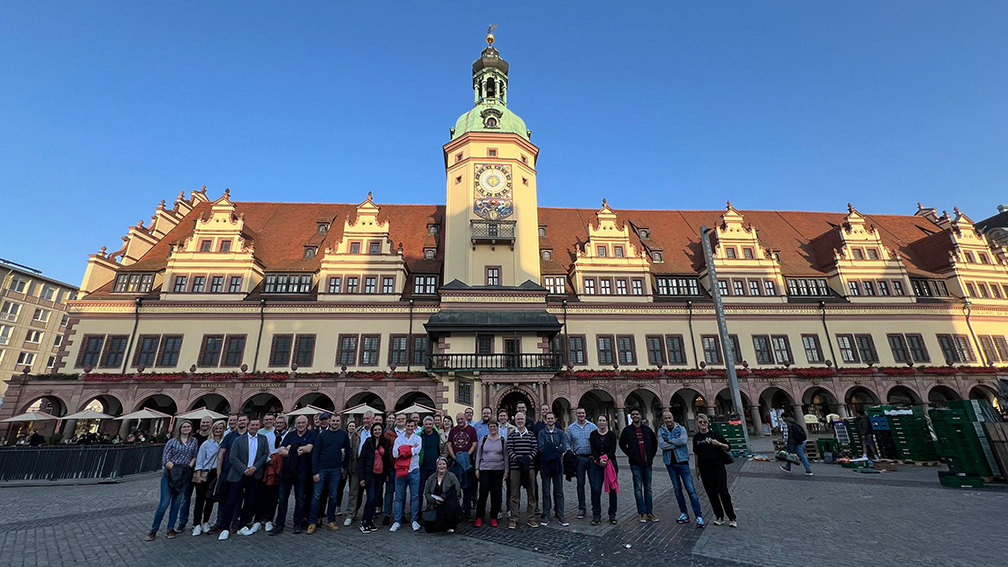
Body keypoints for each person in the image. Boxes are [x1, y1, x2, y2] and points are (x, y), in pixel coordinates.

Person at [145, 420, 198, 541]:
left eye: (188, 426)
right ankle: (154, 530)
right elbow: (165, 459)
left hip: (184, 475)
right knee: (164, 503)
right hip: (170, 475)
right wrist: (176, 471)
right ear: (179, 428)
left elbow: (194, 455)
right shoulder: (172, 442)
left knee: (176, 503)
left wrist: (189, 468)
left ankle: (170, 528)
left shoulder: (194, 441)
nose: (186, 428)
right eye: (184, 426)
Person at [218, 417, 269, 540]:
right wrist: (244, 469)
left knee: (250, 501)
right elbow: (233, 457)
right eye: (252, 425)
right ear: (248, 425)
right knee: (231, 501)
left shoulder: (263, 439)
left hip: (254, 474)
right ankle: (225, 527)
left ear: (259, 426)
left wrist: (254, 468)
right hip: (238, 474)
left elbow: (265, 455)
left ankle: (242, 526)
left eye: (257, 425)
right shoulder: (238, 440)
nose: (254, 427)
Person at [269, 415, 316, 535]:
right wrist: (297, 451)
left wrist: (291, 450)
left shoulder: (311, 435)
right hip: (287, 472)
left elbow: (309, 449)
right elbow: (281, 451)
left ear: (306, 423)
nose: (300, 425)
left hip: (302, 472)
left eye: (302, 423)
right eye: (298, 423)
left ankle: (297, 524)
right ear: (296, 424)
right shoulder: (290, 435)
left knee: (300, 499)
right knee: (283, 499)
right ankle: (280, 524)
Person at [658, 411, 703, 527]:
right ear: (663, 419)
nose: (668, 420)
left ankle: (698, 515)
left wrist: (669, 441)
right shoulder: (661, 431)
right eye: (665, 418)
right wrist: (676, 443)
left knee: (691, 489)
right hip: (670, 463)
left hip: (683, 462)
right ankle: (684, 513)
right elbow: (662, 445)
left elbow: (683, 441)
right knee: (677, 489)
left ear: (673, 417)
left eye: (669, 417)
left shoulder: (681, 428)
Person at [308, 413, 350, 534]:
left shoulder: (343, 434)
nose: (335, 423)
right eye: (334, 421)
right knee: (316, 496)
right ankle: (312, 521)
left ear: (340, 422)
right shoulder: (322, 436)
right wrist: (315, 472)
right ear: (330, 422)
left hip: (336, 469)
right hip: (321, 468)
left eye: (337, 421)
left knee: (333, 496)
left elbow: (348, 451)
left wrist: (344, 466)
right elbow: (315, 454)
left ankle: (331, 520)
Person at [693, 414, 736, 527]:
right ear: (697, 423)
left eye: (704, 422)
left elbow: (728, 446)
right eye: (700, 422)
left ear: (708, 423)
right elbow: (696, 453)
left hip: (717, 466)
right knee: (711, 493)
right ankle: (719, 516)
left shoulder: (714, 434)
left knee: (723, 492)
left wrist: (719, 444)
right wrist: (696, 467)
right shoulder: (696, 437)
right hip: (704, 468)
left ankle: (732, 517)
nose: (703, 424)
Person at [618, 408, 658, 522]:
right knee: (638, 488)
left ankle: (649, 512)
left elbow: (654, 444)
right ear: (631, 417)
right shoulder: (627, 430)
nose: (635, 416)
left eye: (637, 414)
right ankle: (641, 512)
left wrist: (650, 456)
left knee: (648, 488)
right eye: (633, 414)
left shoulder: (647, 430)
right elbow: (621, 444)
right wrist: (630, 454)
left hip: (647, 463)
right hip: (635, 463)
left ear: (640, 416)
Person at [177, 416, 214, 532]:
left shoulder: (212, 438)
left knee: (201, 498)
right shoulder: (193, 438)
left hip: (204, 473)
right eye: (203, 422)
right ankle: (183, 522)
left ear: (211, 424)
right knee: (185, 498)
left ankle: (198, 522)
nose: (205, 424)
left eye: (207, 422)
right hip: (189, 472)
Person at [207, 414, 241, 535]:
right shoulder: (229, 436)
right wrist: (219, 471)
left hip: (239, 472)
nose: (234, 422)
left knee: (237, 498)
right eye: (231, 420)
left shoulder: (247, 436)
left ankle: (234, 521)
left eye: (235, 420)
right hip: (226, 471)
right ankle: (220, 521)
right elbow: (221, 454)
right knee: (223, 497)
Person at [191, 420, 225, 536]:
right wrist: (199, 475)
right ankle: (196, 524)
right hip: (206, 472)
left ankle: (205, 521)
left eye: (221, 428)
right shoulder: (206, 443)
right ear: (213, 429)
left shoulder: (224, 443)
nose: (218, 431)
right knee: (200, 500)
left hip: (217, 474)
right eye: (216, 428)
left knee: (210, 500)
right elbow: (199, 460)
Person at [506, 412, 539, 529]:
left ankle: (531, 518)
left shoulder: (530, 435)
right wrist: (517, 459)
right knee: (514, 494)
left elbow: (535, 448)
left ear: (525, 421)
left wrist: (527, 459)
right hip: (515, 468)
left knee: (531, 493)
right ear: (515, 421)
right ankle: (514, 518)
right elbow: (509, 449)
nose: (520, 421)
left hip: (529, 468)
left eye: (522, 419)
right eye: (518, 419)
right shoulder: (511, 435)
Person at [474, 420, 508, 527]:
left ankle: (493, 517)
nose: (493, 428)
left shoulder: (502, 440)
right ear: (488, 427)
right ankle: (479, 516)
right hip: (485, 469)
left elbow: (506, 457)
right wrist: (477, 468)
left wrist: (506, 471)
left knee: (496, 494)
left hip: (498, 470)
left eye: (494, 426)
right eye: (491, 426)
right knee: (483, 493)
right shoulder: (483, 439)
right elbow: (479, 455)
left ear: (497, 427)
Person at [391, 419, 423, 531]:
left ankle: (414, 520)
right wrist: (410, 448)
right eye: (408, 426)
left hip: (413, 469)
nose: (409, 428)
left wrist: (403, 449)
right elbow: (395, 454)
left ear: (414, 427)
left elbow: (417, 451)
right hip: (401, 470)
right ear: (405, 426)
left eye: (411, 426)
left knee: (415, 497)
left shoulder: (418, 438)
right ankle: (397, 520)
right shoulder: (399, 439)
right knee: (399, 497)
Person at [566, 407, 597, 520]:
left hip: (591, 458)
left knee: (594, 484)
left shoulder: (593, 426)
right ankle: (582, 508)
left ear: (585, 414)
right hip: (579, 459)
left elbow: (598, 440)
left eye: (583, 413)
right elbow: (567, 442)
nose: (581, 415)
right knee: (580, 484)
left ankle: (595, 507)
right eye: (579, 413)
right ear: (576, 414)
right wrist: (570, 453)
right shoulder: (571, 428)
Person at [538, 411, 568, 526]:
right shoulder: (542, 433)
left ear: (555, 419)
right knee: (546, 491)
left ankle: (561, 515)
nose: (550, 420)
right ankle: (546, 515)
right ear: (545, 420)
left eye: (552, 418)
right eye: (548, 418)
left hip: (558, 465)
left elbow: (564, 447)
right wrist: (556, 448)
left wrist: (550, 448)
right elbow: (541, 448)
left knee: (559, 491)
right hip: (545, 465)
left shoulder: (560, 433)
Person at [357, 422, 388, 534]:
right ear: (372, 431)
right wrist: (361, 477)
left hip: (379, 475)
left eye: (379, 429)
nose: (377, 431)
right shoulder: (368, 442)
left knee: (375, 499)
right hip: (369, 474)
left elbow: (387, 459)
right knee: (371, 498)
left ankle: (369, 521)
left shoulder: (385, 442)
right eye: (375, 429)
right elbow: (361, 460)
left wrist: (387, 475)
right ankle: (364, 521)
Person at [588, 415, 618, 525]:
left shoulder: (611, 435)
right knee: (596, 489)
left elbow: (613, 449)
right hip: (596, 465)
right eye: (600, 420)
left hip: (610, 464)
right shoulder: (593, 434)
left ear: (606, 422)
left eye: (603, 421)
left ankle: (612, 514)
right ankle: (596, 515)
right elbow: (593, 449)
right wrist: (599, 460)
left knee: (612, 489)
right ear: (597, 422)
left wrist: (605, 459)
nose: (601, 422)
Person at [259, 414, 286, 532]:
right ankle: (261, 517)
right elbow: (263, 451)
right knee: (265, 493)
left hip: (282, 469)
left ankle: (271, 518)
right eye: (277, 423)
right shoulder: (267, 436)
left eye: (281, 423)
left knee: (277, 496)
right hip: (269, 467)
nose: (279, 424)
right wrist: (268, 460)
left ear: (285, 424)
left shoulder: (288, 436)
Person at [447, 412, 477, 518]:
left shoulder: (471, 430)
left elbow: (474, 444)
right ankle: (456, 510)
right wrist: (454, 457)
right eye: (458, 419)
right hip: (454, 463)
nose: (460, 421)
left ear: (465, 418)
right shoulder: (453, 430)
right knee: (454, 488)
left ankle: (467, 511)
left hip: (467, 463)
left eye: (461, 419)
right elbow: (449, 444)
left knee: (467, 488)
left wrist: (466, 456)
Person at [423, 456, 464, 533]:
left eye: (444, 464)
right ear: (437, 466)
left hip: (447, 504)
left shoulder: (452, 477)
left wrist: (448, 500)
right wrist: (433, 500)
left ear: (447, 466)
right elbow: (427, 492)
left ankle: (450, 524)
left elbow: (458, 491)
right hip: (434, 504)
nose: (442, 466)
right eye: (440, 464)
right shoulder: (431, 478)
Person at [381, 413, 407, 524]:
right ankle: (387, 514)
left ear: (406, 420)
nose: (401, 420)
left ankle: (401, 513)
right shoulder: (388, 434)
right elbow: (385, 452)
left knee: (402, 492)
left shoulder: (409, 432)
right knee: (389, 491)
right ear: (395, 420)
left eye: (403, 419)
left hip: (404, 467)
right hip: (392, 466)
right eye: (399, 418)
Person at [340, 419, 361, 525]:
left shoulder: (358, 434)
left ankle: (351, 513)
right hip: (344, 465)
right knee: (339, 489)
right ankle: (338, 508)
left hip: (356, 466)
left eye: (353, 426)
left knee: (354, 491)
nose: (352, 428)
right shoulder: (344, 436)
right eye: (350, 426)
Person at [780, 409, 812, 475]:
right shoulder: (794, 422)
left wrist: (785, 442)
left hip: (792, 441)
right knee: (801, 454)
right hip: (800, 440)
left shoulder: (785, 423)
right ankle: (808, 470)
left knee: (789, 454)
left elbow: (786, 434)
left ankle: (788, 467)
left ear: (783, 417)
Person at [418, 416, 441, 495]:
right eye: (426, 424)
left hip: (434, 467)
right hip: (423, 467)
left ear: (433, 425)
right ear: (423, 425)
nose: (428, 426)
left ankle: (431, 506)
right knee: (420, 489)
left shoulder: (437, 435)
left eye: (430, 424)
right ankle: (419, 507)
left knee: (434, 489)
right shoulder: (420, 436)